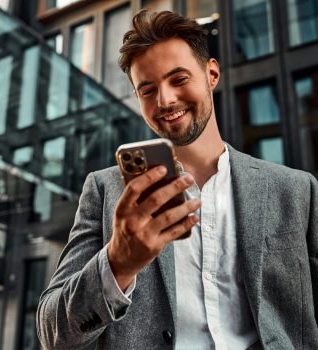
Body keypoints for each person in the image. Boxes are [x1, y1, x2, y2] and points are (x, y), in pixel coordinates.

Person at [37, 10, 318, 350]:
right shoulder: (105, 190)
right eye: (148, 89)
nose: (165, 100)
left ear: (211, 73)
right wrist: (117, 264)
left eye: (179, 79)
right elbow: (52, 331)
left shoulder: (297, 190)